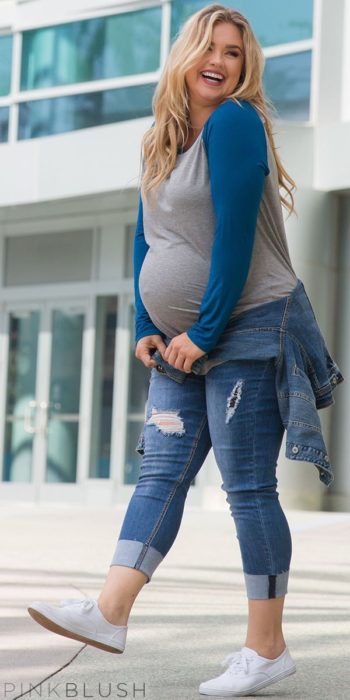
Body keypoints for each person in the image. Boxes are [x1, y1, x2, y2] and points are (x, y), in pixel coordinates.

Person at [27, 4, 344, 697]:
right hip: (176, 341)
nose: (222, 61)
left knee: (248, 488)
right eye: (212, 46)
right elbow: (150, 242)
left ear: (245, 68)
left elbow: (232, 237)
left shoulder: (236, 123)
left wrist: (201, 331)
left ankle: (267, 648)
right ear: (186, 55)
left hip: (249, 327)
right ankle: (110, 613)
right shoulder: (160, 141)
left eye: (236, 53)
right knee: (160, 475)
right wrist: (146, 320)